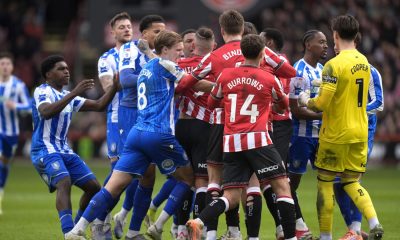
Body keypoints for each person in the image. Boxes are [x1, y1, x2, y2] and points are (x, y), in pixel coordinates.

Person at [67, 30, 210, 240]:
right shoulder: (167, 66)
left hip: (137, 134)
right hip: (159, 134)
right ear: (165, 50)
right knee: (191, 178)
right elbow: (192, 83)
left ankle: (76, 229)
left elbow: (160, 65)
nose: (181, 54)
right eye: (178, 50)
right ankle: (161, 225)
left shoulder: (146, 68)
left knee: (112, 187)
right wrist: (222, 87)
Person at [176, 10, 296, 240]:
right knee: (276, 186)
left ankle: (202, 223)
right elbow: (288, 79)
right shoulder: (268, 76)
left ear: (221, 31)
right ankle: (279, 235)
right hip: (259, 135)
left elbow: (201, 95)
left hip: (227, 133)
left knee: (222, 189)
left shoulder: (220, 67)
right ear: (262, 52)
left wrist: (217, 89)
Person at [298, 15, 384, 240]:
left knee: (325, 183)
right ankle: (374, 222)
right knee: (352, 181)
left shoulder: (332, 65)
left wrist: (306, 99)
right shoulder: (364, 62)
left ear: (335, 35)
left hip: (335, 134)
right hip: (360, 132)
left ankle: (326, 236)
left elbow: (322, 104)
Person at [32, 55, 118, 239]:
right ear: (48, 74)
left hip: (64, 150)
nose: (66, 71)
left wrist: (115, 86)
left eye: (67, 68)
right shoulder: (42, 91)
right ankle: (68, 232)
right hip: (44, 149)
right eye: (61, 69)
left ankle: (77, 228)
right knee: (64, 181)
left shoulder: (67, 97)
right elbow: (46, 112)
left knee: (94, 187)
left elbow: (99, 104)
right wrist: (74, 93)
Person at [112, 14, 165, 239]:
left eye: (163, 31)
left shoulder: (159, 53)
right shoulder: (129, 50)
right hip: (130, 113)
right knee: (127, 173)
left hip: (151, 115)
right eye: (156, 31)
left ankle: (130, 227)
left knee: (148, 175)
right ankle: (97, 219)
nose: (161, 35)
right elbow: (124, 80)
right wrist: (153, 77)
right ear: (143, 34)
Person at [333, 34, 384, 240]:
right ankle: (355, 231)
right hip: (341, 132)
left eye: (336, 41)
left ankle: (358, 230)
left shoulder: (370, 71)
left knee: (351, 179)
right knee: (337, 182)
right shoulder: (336, 67)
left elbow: (378, 102)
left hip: (363, 132)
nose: (334, 45)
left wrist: (354, 111)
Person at [92, 12, 133, 239]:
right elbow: (109, 86)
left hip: (139, 118)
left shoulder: (139, 53)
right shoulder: (107, 58)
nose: (127, 29)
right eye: (122, 27)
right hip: (117, 117)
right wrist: (131, 77)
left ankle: (121, 215)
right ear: (113, 32)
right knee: (119, 172)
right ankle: (100, 218)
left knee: (140, 172)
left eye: (129, 26)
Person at [287, 29, 328, 239]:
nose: (326, 45)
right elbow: (295, 110)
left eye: (326, 42)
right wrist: (325, 116)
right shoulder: (297, 72)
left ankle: (327, 232)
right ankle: (297, 225)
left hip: (321, 137)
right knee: (291, 185)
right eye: (321, 42)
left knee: (328, 182)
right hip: (301, 137)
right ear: (308, 45)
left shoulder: (323, 70)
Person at [0, 52, 31, 215]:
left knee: (4, 164)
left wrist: (16, 106)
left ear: (12, 67)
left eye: (7, 64)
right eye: (2, 63)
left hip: (11, 133)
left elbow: (29, 106)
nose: (4, 66)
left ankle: (1, 191)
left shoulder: (18, 85)